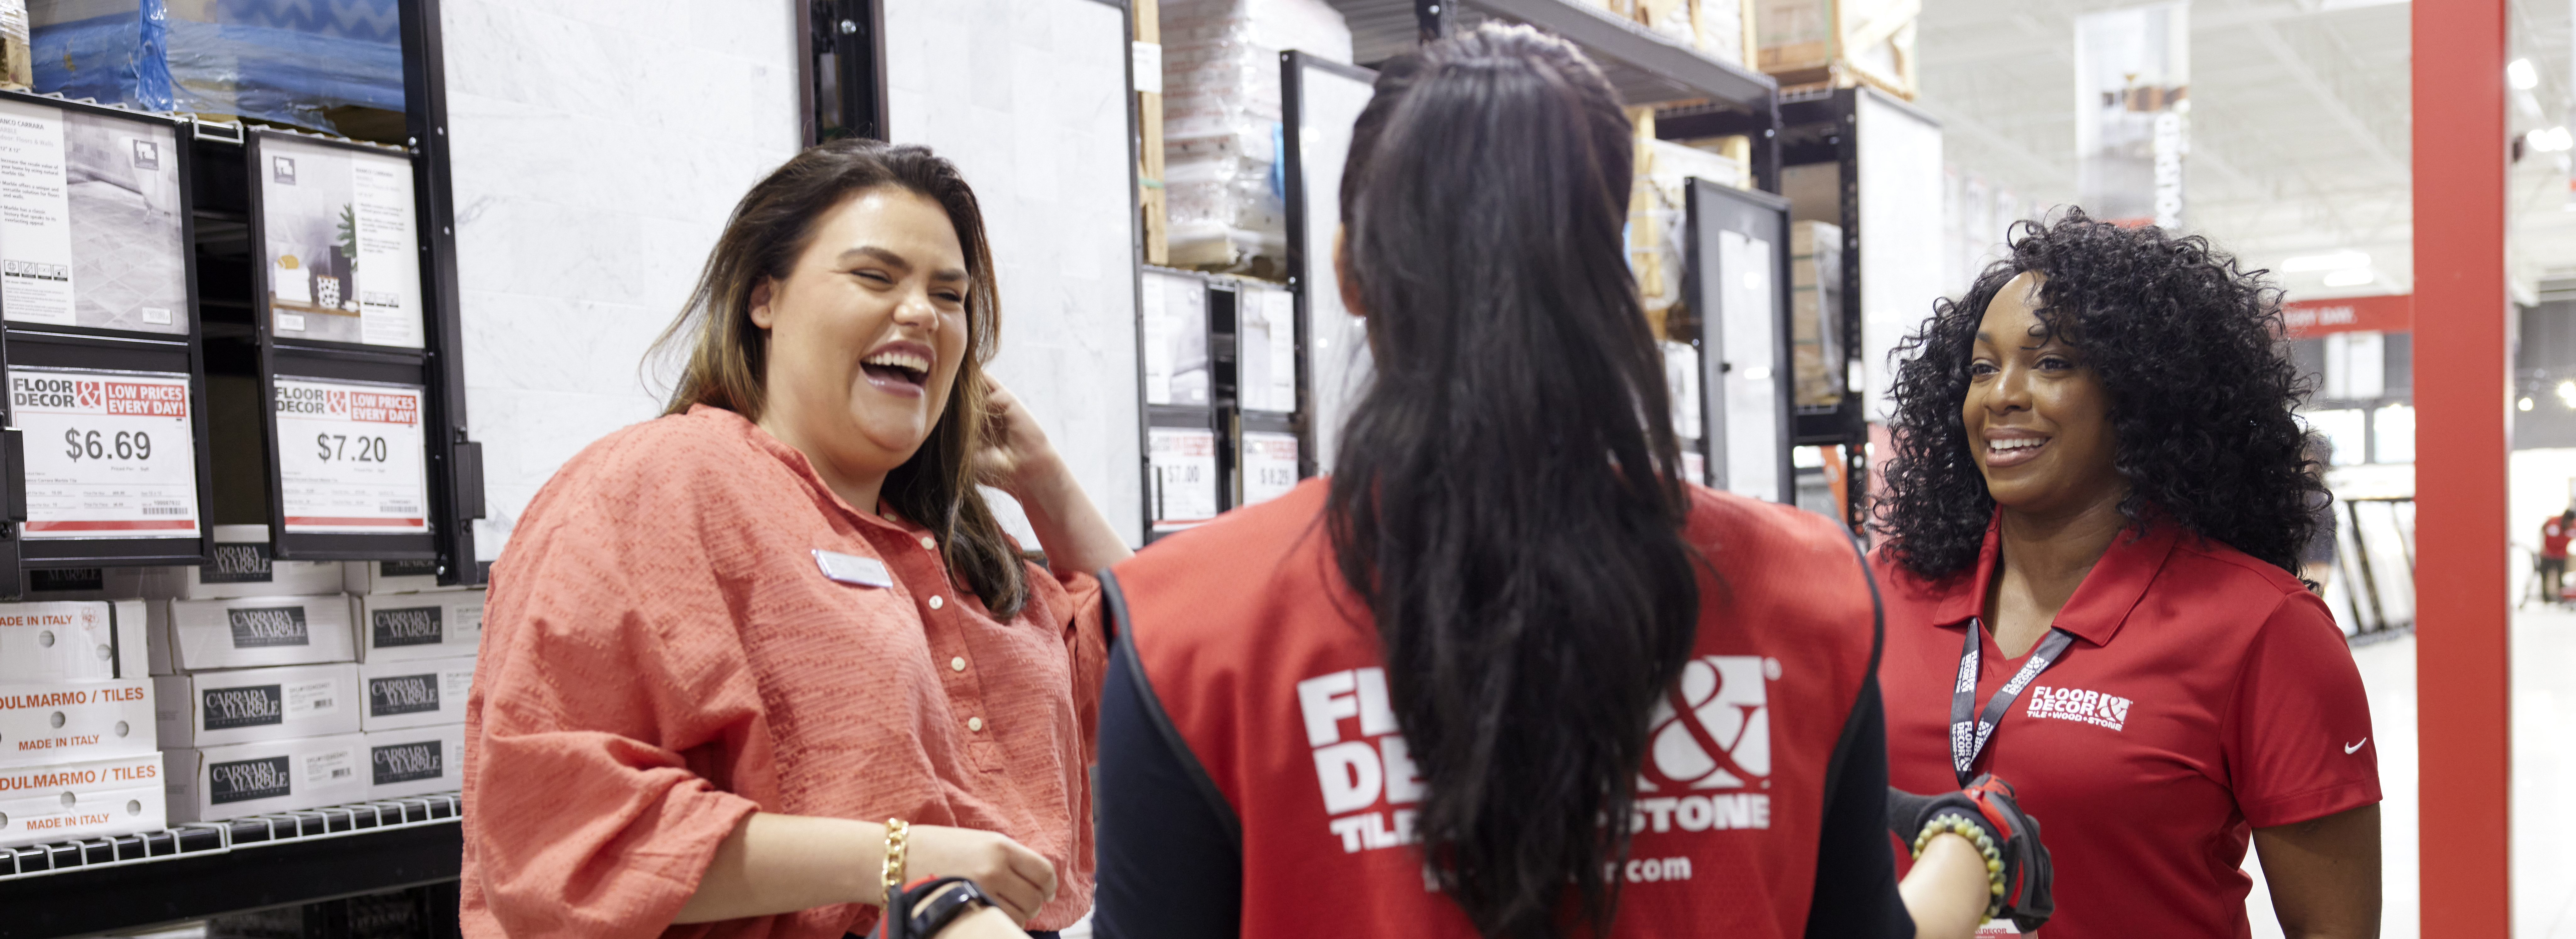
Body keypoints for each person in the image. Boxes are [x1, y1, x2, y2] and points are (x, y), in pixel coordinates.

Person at [1090, 25, 2048, 939]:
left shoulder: (1192, 629)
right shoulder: (1808, 592)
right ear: (1613, 280)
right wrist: (1975, 843)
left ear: (1347, 270)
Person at [459, 139, 1131, 939]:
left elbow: (1158, 683)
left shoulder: (960, 552)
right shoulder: (656, 483)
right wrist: (900, 860)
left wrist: (1044, 481)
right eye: (875, 276)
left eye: (949, 295)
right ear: (763, 297)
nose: (920, 310)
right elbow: (562, 832)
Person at [1872, 212, 2382, 938]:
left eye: (2051, 363)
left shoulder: (2264, 627)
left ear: (2143, 394)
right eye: (1983, 367)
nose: (2001, 395)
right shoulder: (1885, 595)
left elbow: (2335, 929)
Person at [2540, 509, 2571, 603]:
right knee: (2545, 575)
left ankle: (2562, 597)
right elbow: (2542, 530)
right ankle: (2546, 597)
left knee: (2561, 576)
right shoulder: (2553, 522)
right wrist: (2542, 547)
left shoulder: (2573, 525)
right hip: (2548, 554)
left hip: (2561, 555)